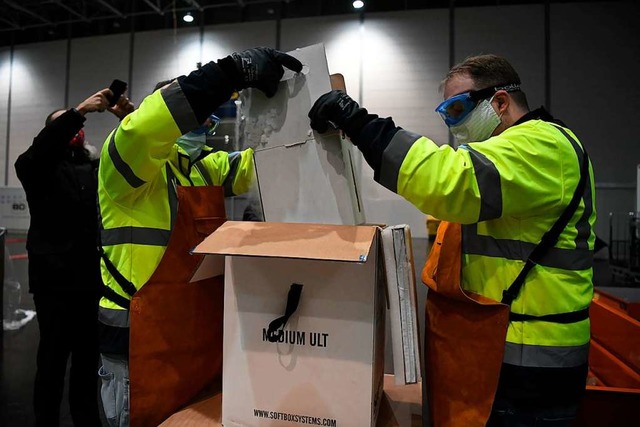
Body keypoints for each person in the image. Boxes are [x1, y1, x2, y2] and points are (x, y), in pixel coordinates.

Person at [309, 54, 595, 426]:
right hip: (501, 350)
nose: (454, 124)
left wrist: (359, 122)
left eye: (458, 108)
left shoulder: (544, 145)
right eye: (447, 114)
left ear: (501, 102)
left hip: (528, 362)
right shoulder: (512, 152)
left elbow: (450, 182)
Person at [96, 47, 302, 427]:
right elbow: (146, 127)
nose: (204, 129)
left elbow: (262, 163)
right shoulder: (128, 163)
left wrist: (309, 121)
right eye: (195, 120)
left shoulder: (204, 167)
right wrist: (229, 73)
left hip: (192, 338)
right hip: (135, 341)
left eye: (208, 124)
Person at [14, 89, 134, 427]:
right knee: (51, 361)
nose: (75, 132)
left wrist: (127, 117)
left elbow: (130, 151)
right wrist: (79, 111)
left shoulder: (93, 167)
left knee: (86, 361)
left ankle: (86, 420)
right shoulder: (34, 167)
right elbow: (45, 146)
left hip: (91, 280)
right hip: (53, 283)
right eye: (65, 125)